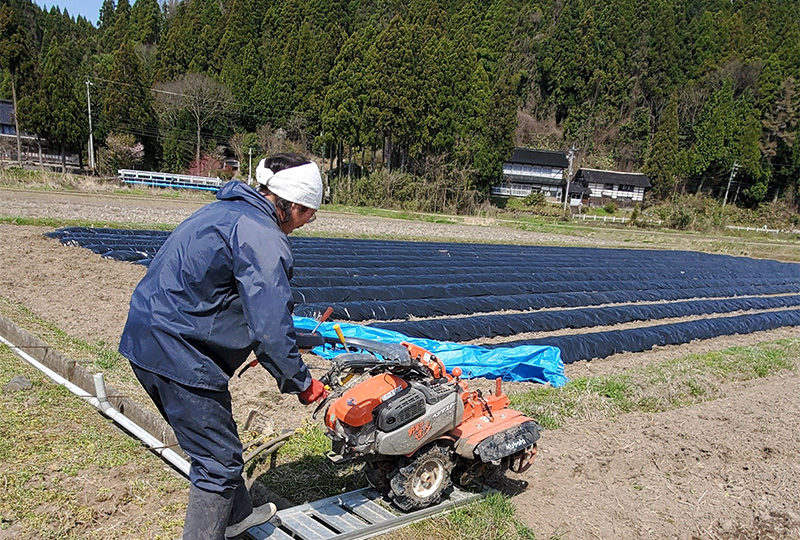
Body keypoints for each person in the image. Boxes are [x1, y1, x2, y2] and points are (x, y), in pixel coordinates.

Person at [118, 153, 328, 540]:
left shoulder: (222, 212)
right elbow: (268, 330)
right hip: (180, 352)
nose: (307, 223)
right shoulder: (263, 237)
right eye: (309, 214)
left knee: (218, 444)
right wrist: (301, 382)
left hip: (147, 338)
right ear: (293, 205)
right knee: (216, 464)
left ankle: (237, 519)